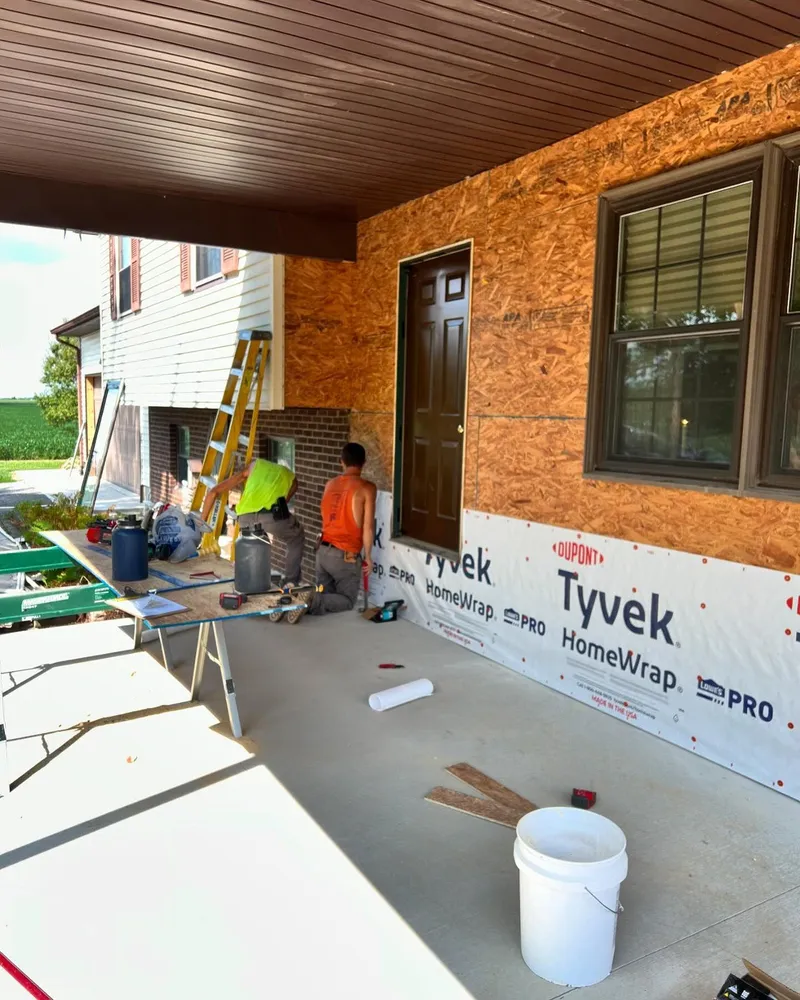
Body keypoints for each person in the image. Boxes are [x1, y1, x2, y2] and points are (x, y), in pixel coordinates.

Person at [202, 457, 305, 585]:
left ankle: (252, 581)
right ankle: (291, 581)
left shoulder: (252, 467)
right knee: (296, 537)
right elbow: (287, 499)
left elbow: (213, 492)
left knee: (254, 543)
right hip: (272, 516)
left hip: (245, 517)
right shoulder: (289, 475)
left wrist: (201, 522)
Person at [311, 442, 376, 615]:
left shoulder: (329, 484)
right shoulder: (366, 488)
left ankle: (306, 600)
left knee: (324, 599)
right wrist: (368, 557)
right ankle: (310, 599)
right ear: (364, 462)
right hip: (344, 557)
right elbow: (368, 527)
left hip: (322, 552)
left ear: (342, 462)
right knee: (346, 600)